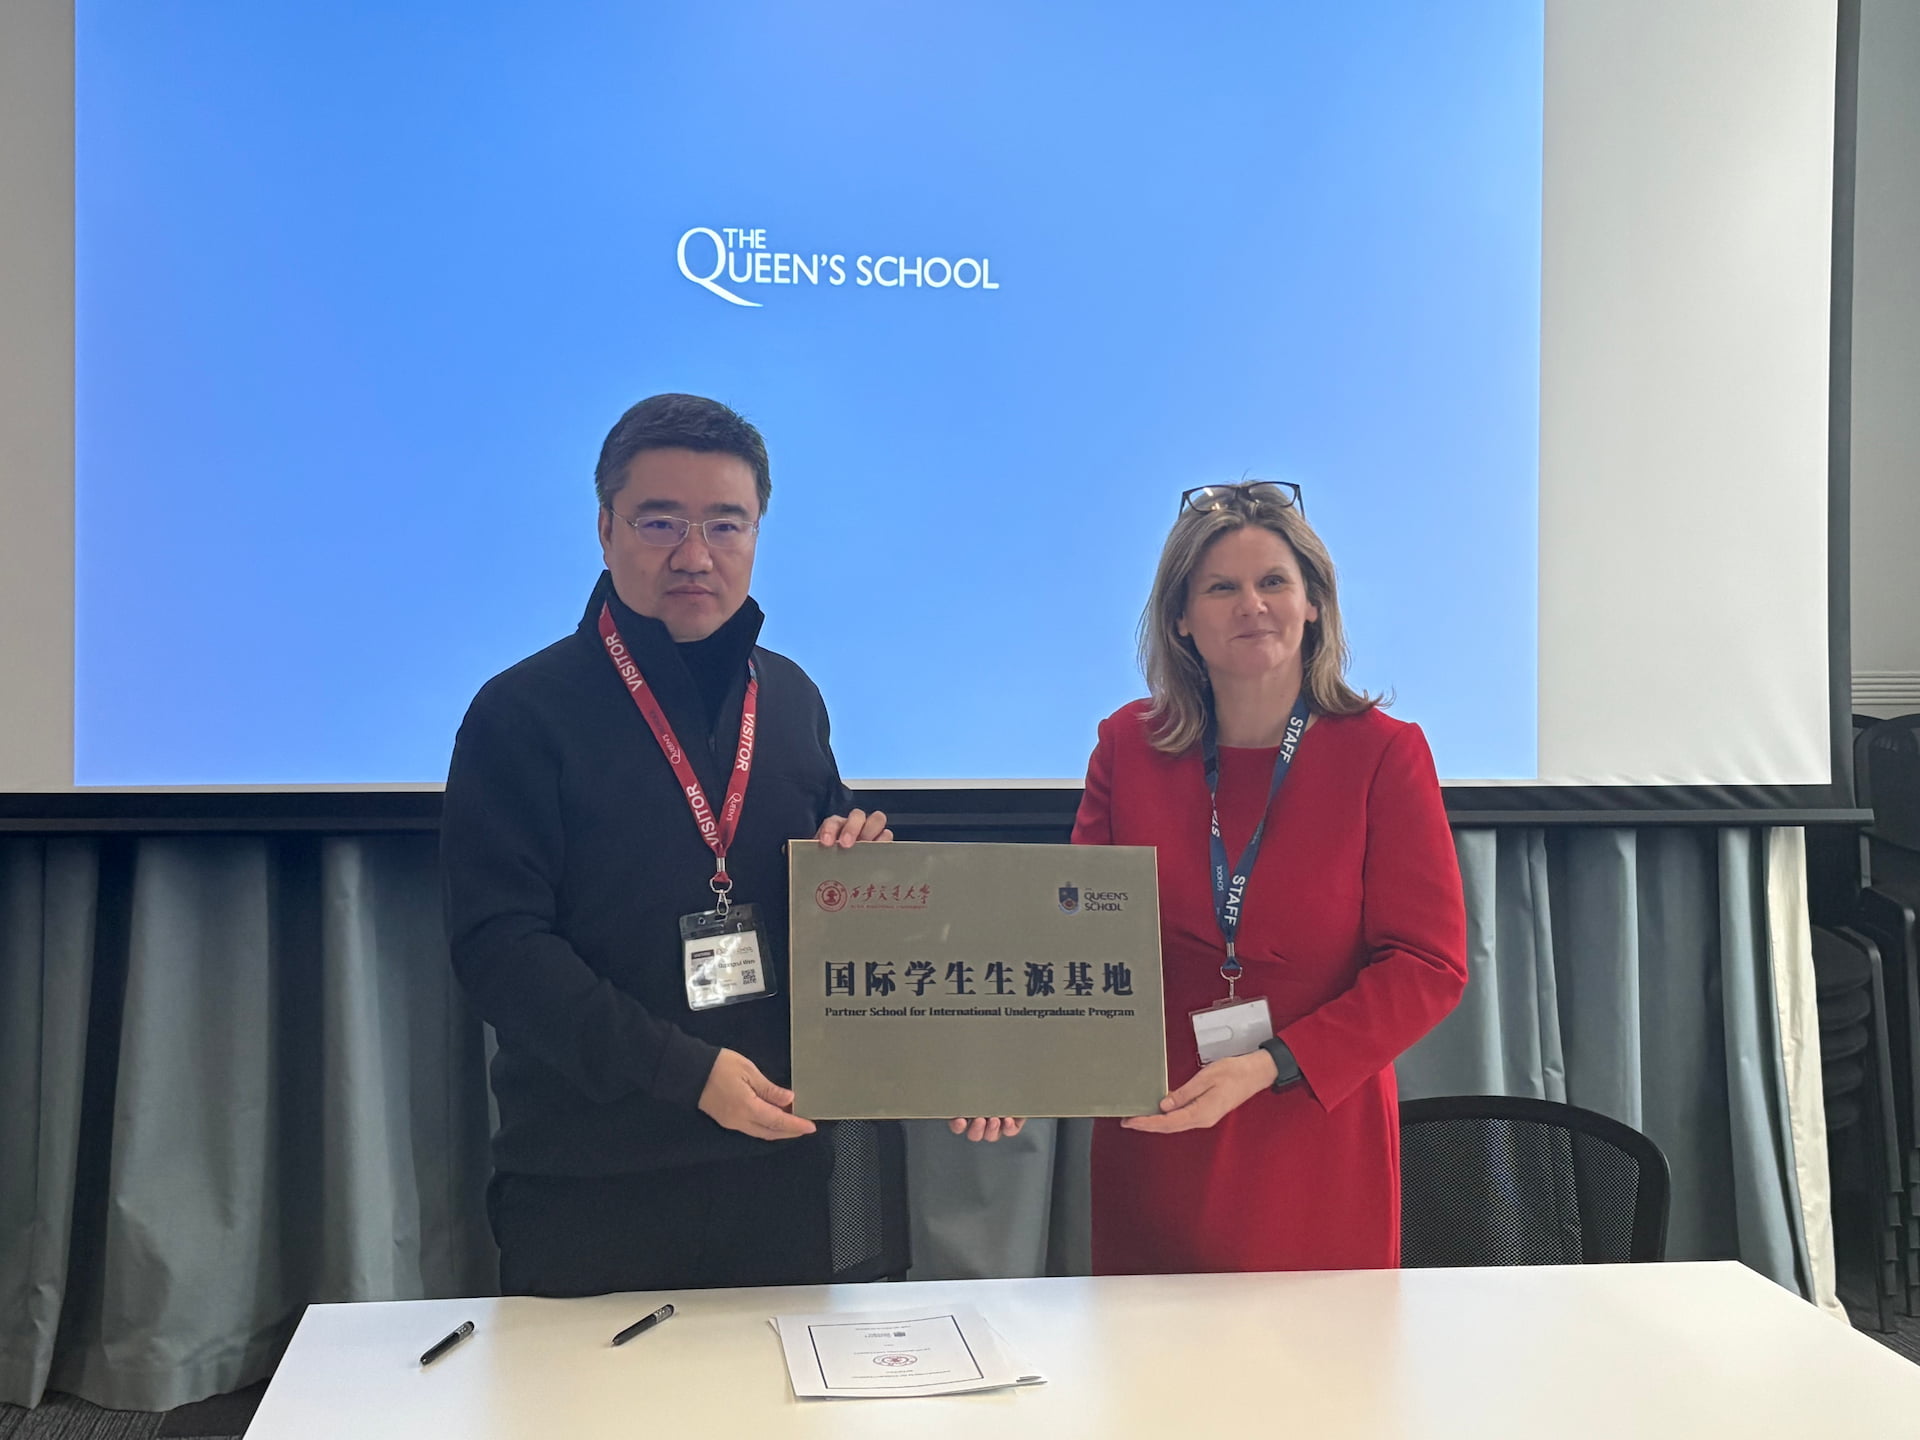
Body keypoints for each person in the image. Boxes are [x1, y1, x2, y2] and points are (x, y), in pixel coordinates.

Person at [443, 393, 1002, 1297]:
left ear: (756, 532)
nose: (694, 555)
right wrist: (686, 1072)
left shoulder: (788, 699)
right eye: (660, 521)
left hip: (779, 1167)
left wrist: (860, 858)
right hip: (592, 1179)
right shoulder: (520, 714)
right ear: (604, 526)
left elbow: (833, 882)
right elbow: (500, 951)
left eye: (724, 524)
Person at [1071, 480, 1468, 1273]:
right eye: (1221, 587)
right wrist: (1005, 1066)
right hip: (1161, 1125)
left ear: (1314, 603)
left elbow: (1428, 968)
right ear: (1181, 618)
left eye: (1274, 582)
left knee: (1317, 1386)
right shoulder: (1128, 745)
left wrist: (1271, 1064)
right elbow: (1074, 934)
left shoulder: (1383, 754)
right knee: (1154, 1386)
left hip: (1312, 1131)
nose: (1251, 605)